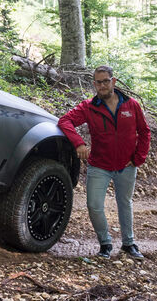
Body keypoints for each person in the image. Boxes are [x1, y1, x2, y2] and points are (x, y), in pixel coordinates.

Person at [58, 65, 151, 260]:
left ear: (113, 81)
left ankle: (129, 244)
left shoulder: (131, 105)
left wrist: (137, 159)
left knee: (124, 203)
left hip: (127, 166)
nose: (102, 85)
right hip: (99, 165)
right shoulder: (89, 107)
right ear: (94, 84)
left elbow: (144, 132)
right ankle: (105, 244)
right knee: (93, 205)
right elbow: (65, 121)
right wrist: (79, 143)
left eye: (105, 81)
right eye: (98, 82)